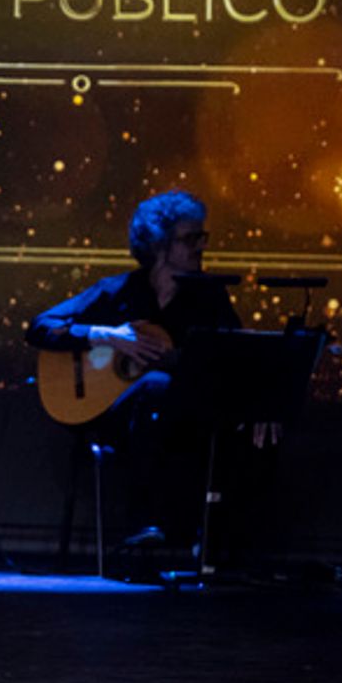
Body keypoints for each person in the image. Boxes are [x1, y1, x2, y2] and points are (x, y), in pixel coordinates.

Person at [26, 190, 247, 550]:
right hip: (110, 416)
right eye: (190, 238)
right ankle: (145, 525)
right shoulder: (118, 291)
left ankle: (170, 534)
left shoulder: (209, 298)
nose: (200, 247)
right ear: (160, 244)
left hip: (185, 421)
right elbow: (40, 327)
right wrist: (107, 336)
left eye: (201, 237)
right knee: (155, 387)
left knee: (166, 396)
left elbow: (231, 353)